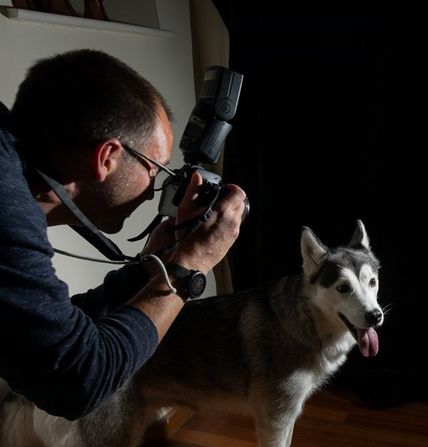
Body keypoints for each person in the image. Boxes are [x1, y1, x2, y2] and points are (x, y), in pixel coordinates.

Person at [0, 49, 247, 420]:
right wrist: (189, 269)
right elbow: (76, 380)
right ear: (107, 157)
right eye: (154, 169)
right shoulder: (8, 211)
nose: (153, 191)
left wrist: (152, 269)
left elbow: (43, 338)